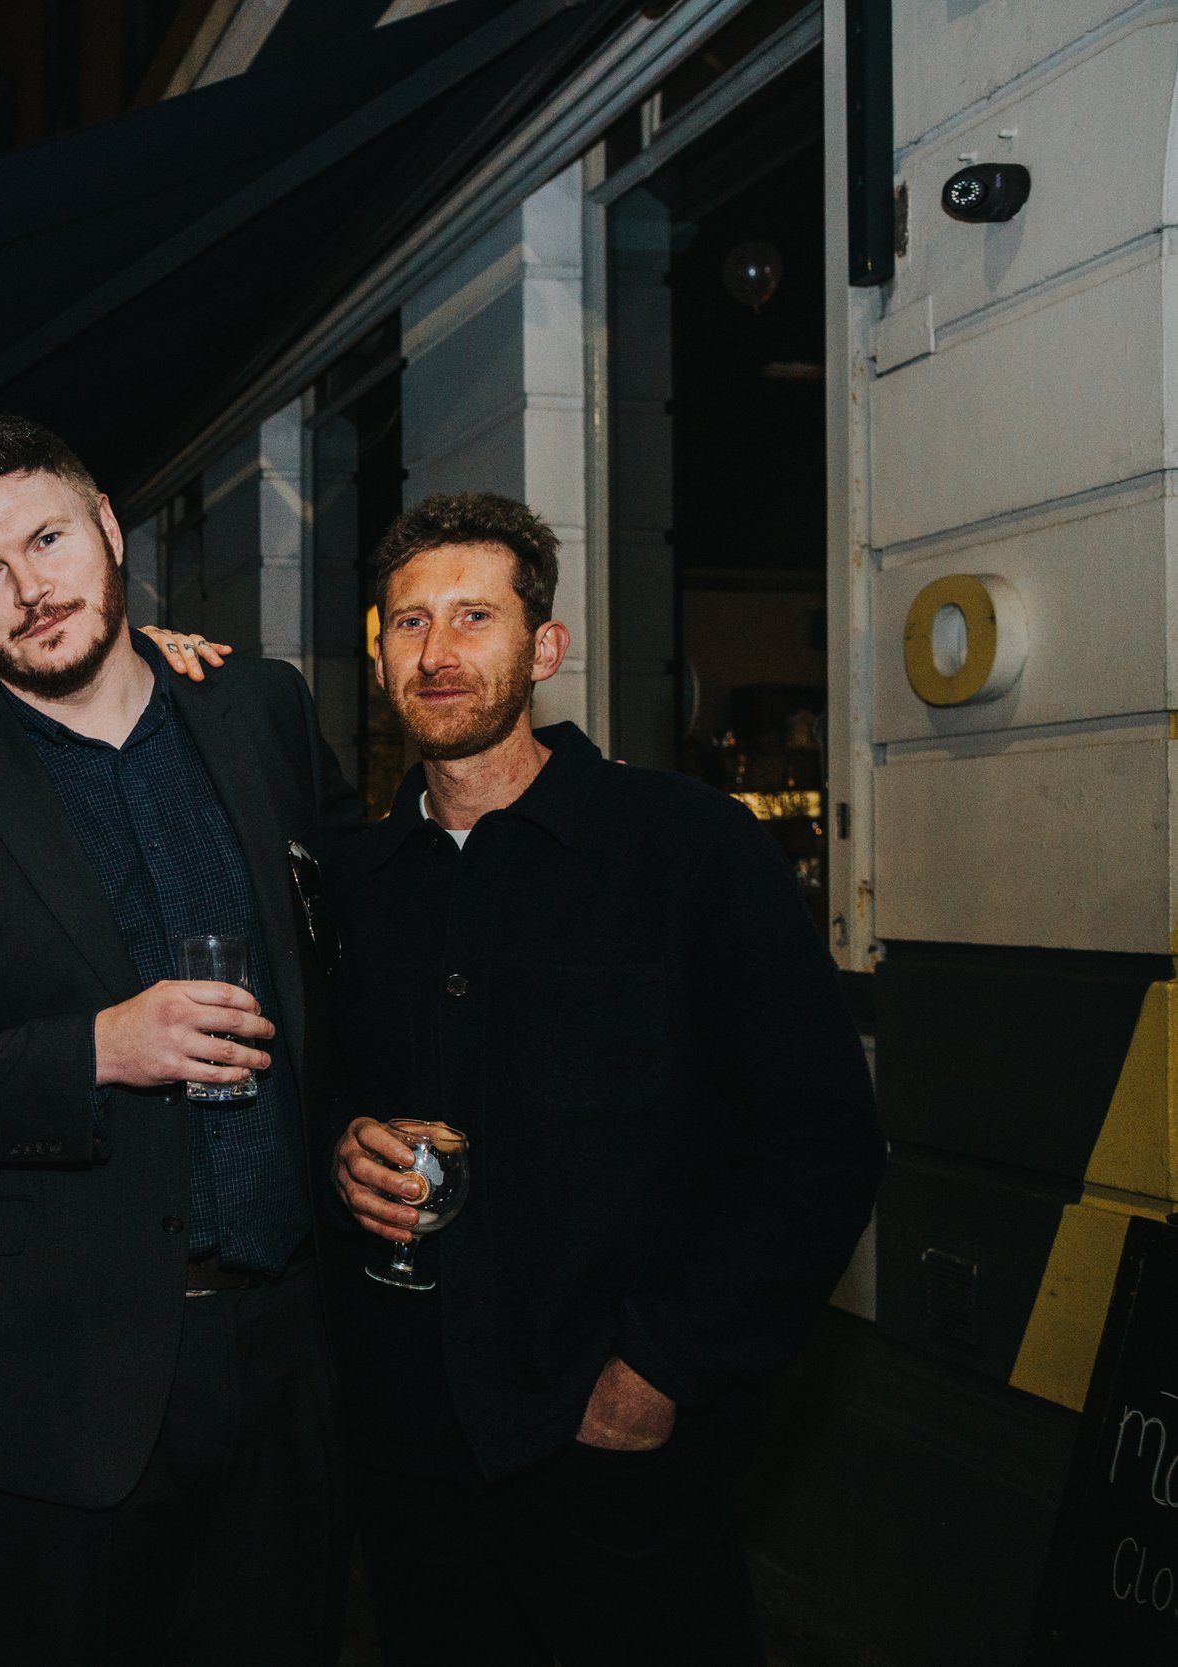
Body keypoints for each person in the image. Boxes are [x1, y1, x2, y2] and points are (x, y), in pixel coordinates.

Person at [0, 414, 364, 1666]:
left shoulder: (257, 710)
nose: (29, 589)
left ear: (111, 528)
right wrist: (94, 1049)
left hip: (290, 1349)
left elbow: (350, 940)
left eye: (49, 539)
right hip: (56, 1380)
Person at [327, 490, 882, 1665]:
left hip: (621, 1450)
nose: (437, 652)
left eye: (474, 616)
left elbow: (821, 1140)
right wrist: (342, 1143)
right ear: (378, 659)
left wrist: (664, 1368)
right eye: (408, 623)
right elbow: (327, 1093)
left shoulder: (686, 848)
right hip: (412, 1456)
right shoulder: (354, 883)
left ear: (544, 647)